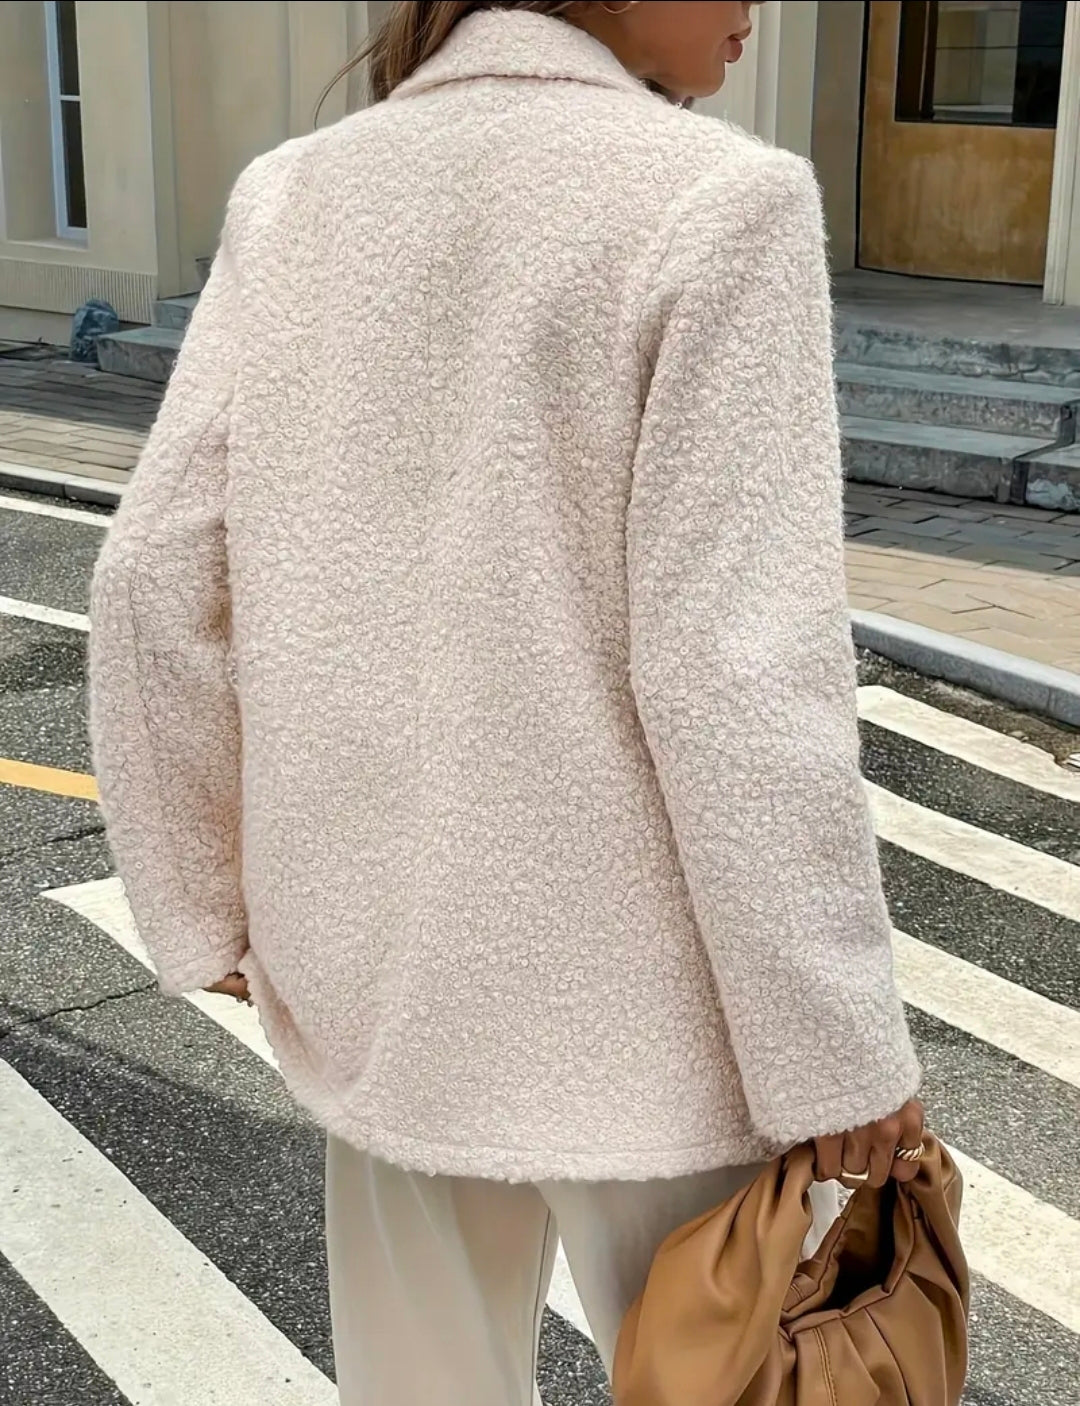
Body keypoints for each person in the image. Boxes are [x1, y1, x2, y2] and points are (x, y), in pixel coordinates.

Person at [89, 2, 925, 1401]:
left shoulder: (292, 195)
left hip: (388, 992)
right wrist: (839, 1055)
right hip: (655, 1021)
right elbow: (737, 676)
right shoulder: (723, 203)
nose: (759, 9)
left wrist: (210, 906)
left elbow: (153, 576)